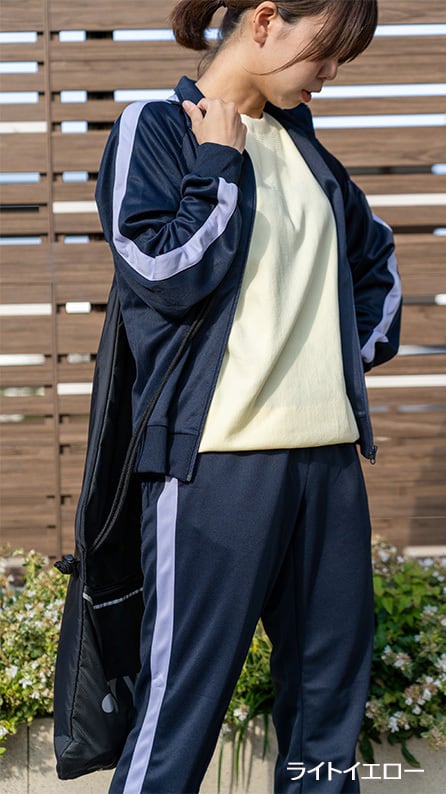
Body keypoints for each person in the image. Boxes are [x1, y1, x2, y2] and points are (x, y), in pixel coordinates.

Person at [95, 1, 402, 791]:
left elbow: (376, 265)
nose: (329, 74)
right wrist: (217, 166)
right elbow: (163, 276)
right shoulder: (157, 130)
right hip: (217, 467)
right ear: (266, 21)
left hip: (328, 464)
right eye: (325, 51)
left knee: (329, 713)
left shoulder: (305, 149)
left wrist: (338, 361)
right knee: (180, 714)